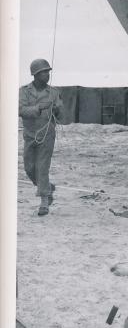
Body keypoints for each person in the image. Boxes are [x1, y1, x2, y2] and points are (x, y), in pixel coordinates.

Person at [19, 59, 63, 216]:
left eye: (48, 72)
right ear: (36, 74)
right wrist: (38, 108)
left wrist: (57, 109)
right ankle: (47, 188)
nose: (47, 75)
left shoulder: (54, 92)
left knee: (42, 167)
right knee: (29, 167)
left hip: (47, 133)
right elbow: (21, 110)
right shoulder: (24, 91)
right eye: (44, 72)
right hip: (30, 134)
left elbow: (60, 114)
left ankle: (44, 201)